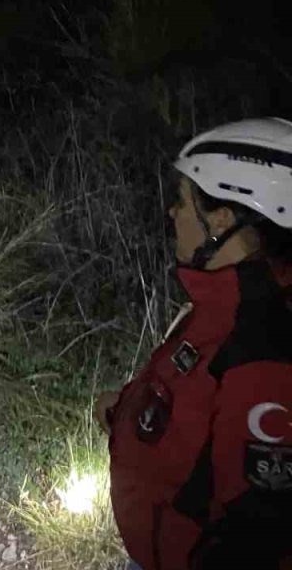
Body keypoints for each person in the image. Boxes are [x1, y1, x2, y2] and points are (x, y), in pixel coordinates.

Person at [96, 117, 292, 570]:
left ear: (221, 218)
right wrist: (124, 412)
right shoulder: (224, 302)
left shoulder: (262, 351)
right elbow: (194, 410)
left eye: (183, 201)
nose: (173, 213)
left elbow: (255, 537)